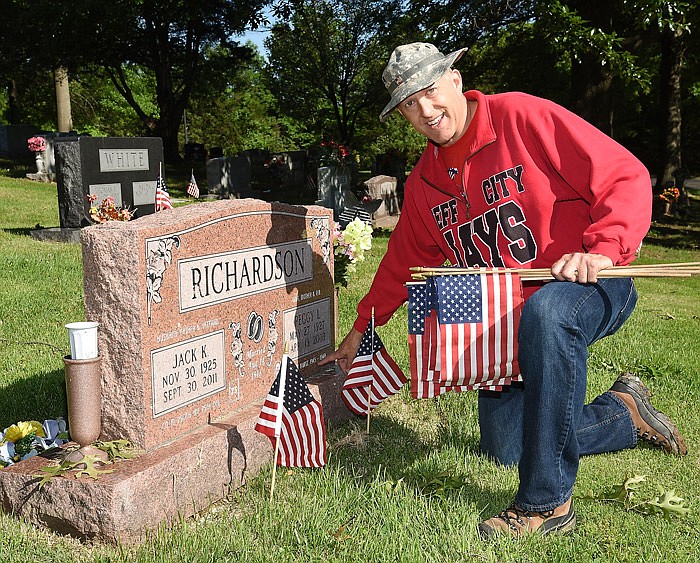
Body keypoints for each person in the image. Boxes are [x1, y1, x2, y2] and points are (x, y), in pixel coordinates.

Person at [320, 42, 687, 537]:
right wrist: (361, 328)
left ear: (455, 79)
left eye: (430, 90)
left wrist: (603, 249)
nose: (426, 110)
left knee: (549, 315)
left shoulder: (520, 116)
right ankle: (623, 413)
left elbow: (624, 175)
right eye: (410, 103)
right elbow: (403, 263)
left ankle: (546, 503)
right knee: (505, 447)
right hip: (506, 321)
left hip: (589, 282)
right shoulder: (425, 183)